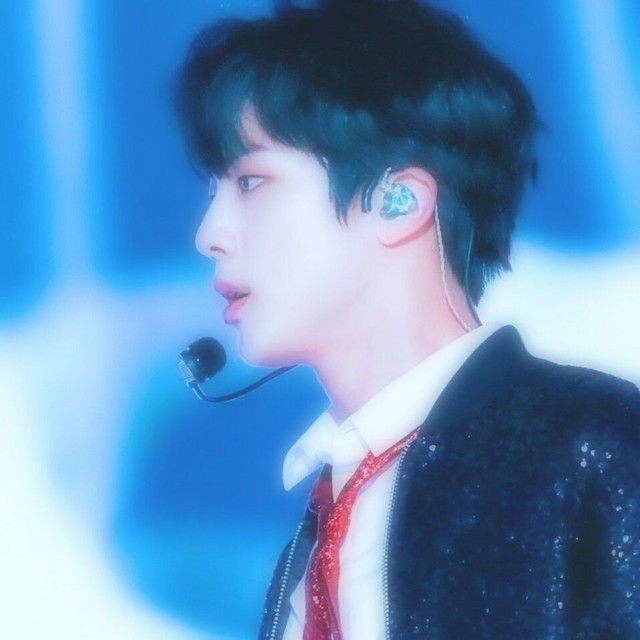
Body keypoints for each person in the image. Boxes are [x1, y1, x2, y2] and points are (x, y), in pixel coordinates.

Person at [175, 0, 640, 637]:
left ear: (398, 201)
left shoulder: (593, 446)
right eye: (213, 191)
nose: (209, 234)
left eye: (251, 181)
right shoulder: (315, 533)